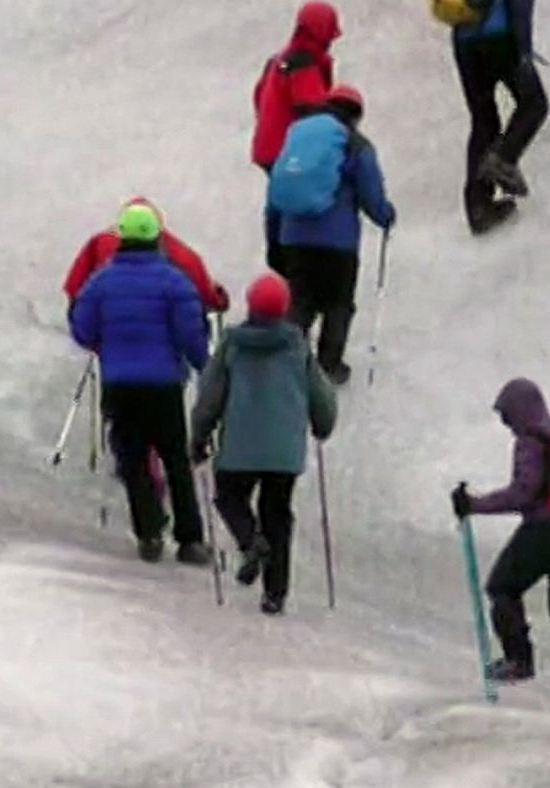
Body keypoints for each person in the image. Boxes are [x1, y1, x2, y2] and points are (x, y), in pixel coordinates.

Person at [69, 203, 214, 565]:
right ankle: (190, 539)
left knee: (132, 459)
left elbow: (82, 327)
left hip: (119, 383)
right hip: (164, 384)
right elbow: (190, 335)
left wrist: (108, 344)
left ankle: (149, 533)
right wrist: (205, 368)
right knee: (175, 459)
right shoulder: (173, 281)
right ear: (155, 238)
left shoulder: (101, 281)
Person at [450, 378, 550, 718]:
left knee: (502, 586)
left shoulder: (531, 441)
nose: (507, 425)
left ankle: (518, 659)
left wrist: (474, 505)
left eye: (507, 416)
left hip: (545, 531)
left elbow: (523, 494)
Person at [189, 273, 337, 616]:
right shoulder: (298, 346)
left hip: (239, 447)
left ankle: (250, 541)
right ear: (285, 307)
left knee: (229, 496)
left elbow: (210, 395)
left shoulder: (233, 344)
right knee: (278, 514)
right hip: (284, 452)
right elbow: (322, 396)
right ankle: (275, 594)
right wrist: (322, 426)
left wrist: (199, 436)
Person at [276, 84, 396, 386]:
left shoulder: (298, 135)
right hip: (337, 241)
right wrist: (386, 215)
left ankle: (286, 360)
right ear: (355, 116)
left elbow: (277, 188)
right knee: (338, 303)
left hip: (294, 236)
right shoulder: (354, 143)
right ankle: (328, 366)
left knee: (301, 300)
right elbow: (370, 193)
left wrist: (275, 236)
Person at [451, 0, 550, 235]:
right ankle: (504, 161)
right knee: (535, 104)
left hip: (464, 42)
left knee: (484, 120)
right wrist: (523, 50)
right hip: (501, 39)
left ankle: (478, 208)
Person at [250, 0, 342, 276]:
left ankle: (280, 254)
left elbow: (258, 96)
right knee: (296, 202)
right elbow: (313, 109)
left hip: (267, 144)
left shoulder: (279, 59)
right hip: (286, 148)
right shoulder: (304, 63)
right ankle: (292, 262)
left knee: (279, 196)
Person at [62, 196, 230, 314]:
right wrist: (219, 298)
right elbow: (203, 293)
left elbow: (75, 288)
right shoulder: (179, 256)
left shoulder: (99, 246)